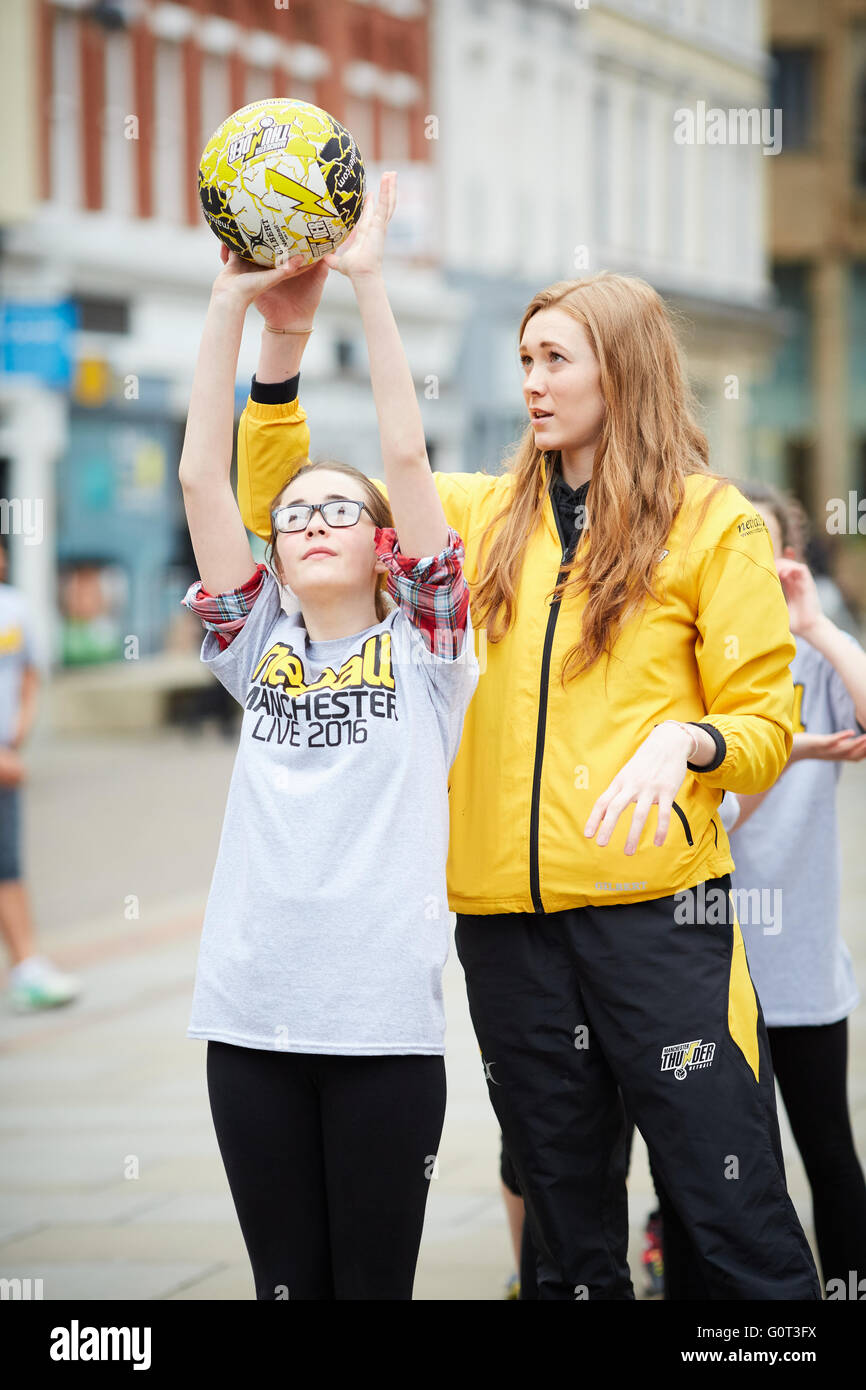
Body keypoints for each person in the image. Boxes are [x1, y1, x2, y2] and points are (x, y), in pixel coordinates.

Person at [236, 268, 821, 1299]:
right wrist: (279, 353)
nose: (532, 384)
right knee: (559, 1236)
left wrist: (683, 740)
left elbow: (764, 724)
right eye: (524, 361)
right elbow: (286, 510)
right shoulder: (468, 516)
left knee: (729, 1211)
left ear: (623, 370)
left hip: (660, 926)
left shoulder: (712, 523)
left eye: (555, 359)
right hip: (505, 930)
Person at [178, 174, 478, 1300]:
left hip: (381, 1029)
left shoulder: (430, 652)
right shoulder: (255, 645)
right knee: (283, 1288)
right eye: (293, 510)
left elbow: (406, 458)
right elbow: (205, 475)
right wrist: (228, 304)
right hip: (249, 1017)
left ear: (381, 544)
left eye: (334, 510)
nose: (308, 521)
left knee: (371, 1290)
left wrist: (366, 283)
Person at [727, 480, 866, 1296]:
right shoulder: (691, 647)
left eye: (767, 548)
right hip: (705, 964)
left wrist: (814, 623)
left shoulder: (815, 651)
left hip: (803, 960)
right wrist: (791, 752)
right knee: (715, 1169)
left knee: (828, 1148)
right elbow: (710, 817)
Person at [0, 535, 80, 1011]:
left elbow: (30, 674)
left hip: (7, 758)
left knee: (7, 863)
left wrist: (16, 736)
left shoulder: (16, 608)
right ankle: (26, 963)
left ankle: (27, 965)